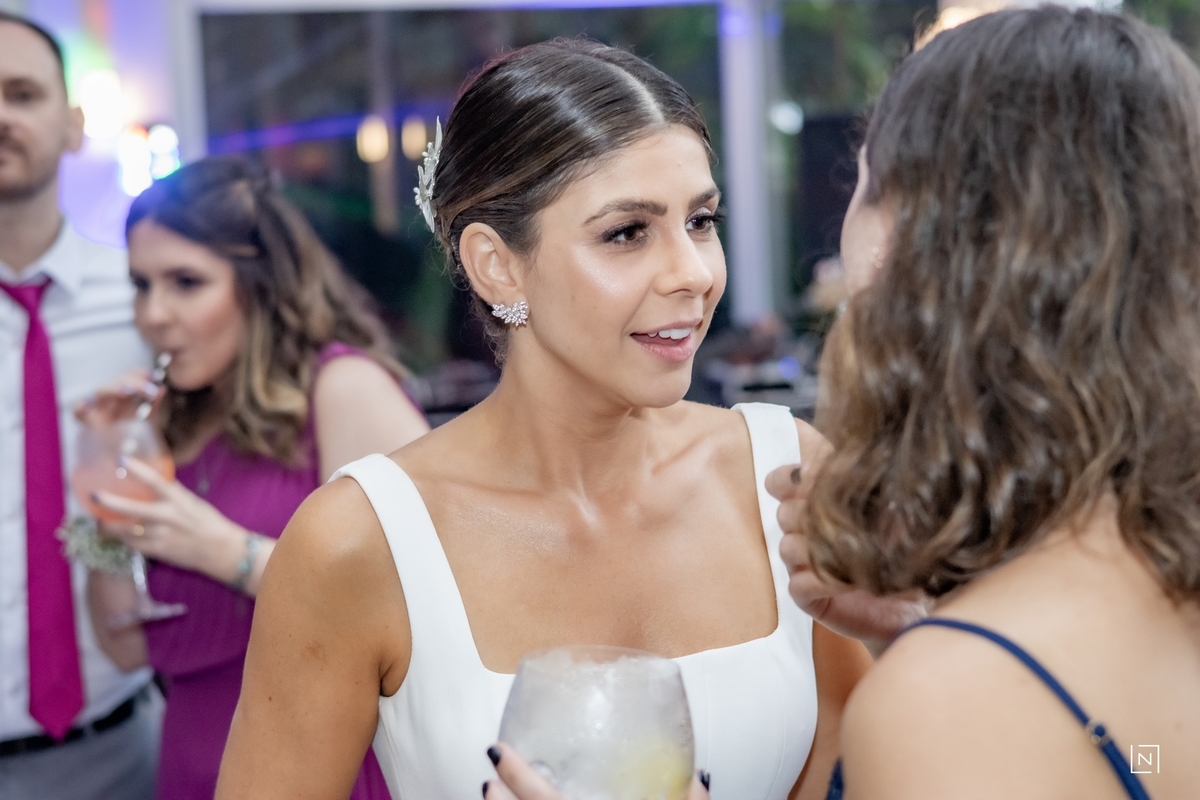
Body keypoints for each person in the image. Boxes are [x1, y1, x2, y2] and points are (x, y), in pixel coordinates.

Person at [213, 39, 923, 800]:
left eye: (701, 220)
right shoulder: (360, 542)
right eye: (627, 232)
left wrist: (908, 627)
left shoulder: (783, 476)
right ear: (497, 265)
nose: (693, 273)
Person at [773, 7, 1199, 799]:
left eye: (863, 181)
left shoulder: (948, 703)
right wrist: (931, 629)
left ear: (917, 246)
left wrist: (950, 664)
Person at [82, 157, 429, 800]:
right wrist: (110, 479)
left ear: (260, 284)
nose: (153, 313)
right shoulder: (172, 423)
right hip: (191, 767)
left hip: (317, 770)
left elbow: (423, 608)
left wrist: (222, 550)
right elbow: (125, 646)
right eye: (141, 285)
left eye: (186, 282)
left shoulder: (344, 390)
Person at [0, 12, 163, 800]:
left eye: (21, 93)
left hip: (119, 746)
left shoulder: (147, 301)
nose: (0, 116)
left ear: (72, 126)